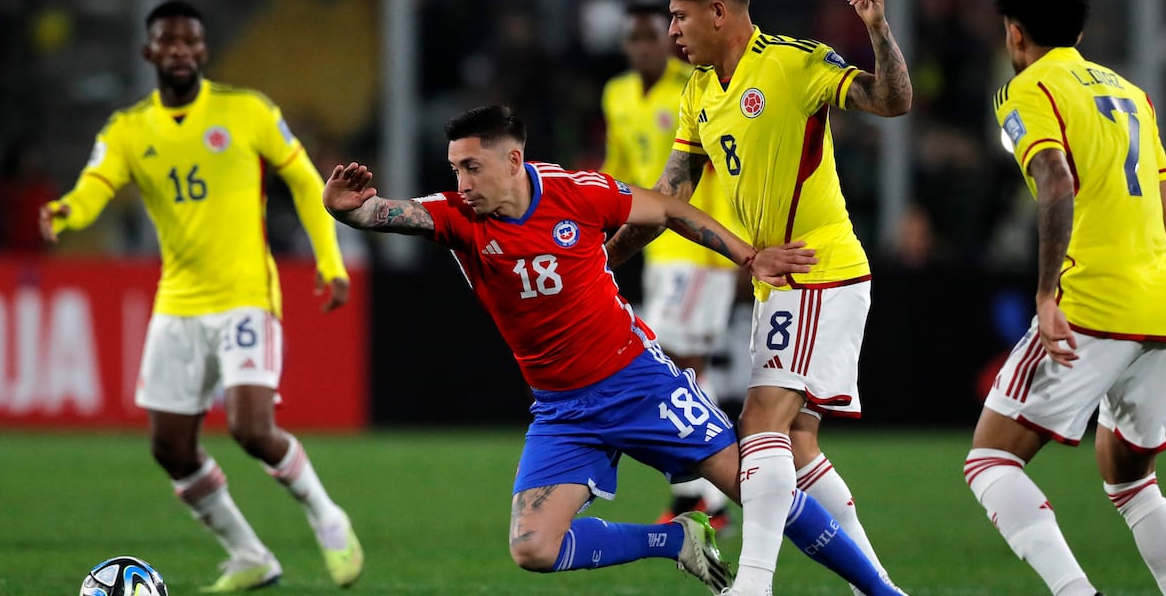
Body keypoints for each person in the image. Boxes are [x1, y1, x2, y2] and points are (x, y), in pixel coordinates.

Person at [323, 104, 906, 596]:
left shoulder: (579, 194)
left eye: (472, 168)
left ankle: (882, 591)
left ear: (513, 161)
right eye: (455, 169)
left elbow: (671, 208)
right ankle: (677, 538)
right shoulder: (456, 218)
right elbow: (383, 213)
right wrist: (344, 209)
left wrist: (748, 257)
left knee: (761, 489)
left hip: (638, 384)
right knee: (532, 548)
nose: (462, 184)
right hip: (561, 410)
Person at [604, 0, 913, 596]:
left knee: (760, 422)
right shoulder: (697, 92)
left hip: (816, 266)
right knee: (798, 447)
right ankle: (879, 588)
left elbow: (891, 100)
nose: (674, 31)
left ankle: (753, 583)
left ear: (719, 12)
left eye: (681, 16)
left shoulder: (794, 64)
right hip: (780, 279)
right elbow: (666, 198)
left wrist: (878, 31)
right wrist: (601, 266)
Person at [39, 0, 364, 593]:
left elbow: (302, 178)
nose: (180, 51)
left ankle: (327, 516)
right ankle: (249, 555)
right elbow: (94, 187)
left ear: (203, 50)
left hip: (246, 292)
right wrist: (66, 211)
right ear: (150, 52)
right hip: (179, 303)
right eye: (168, 42)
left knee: (251, 427)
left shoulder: (246, 111)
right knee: (170, 447)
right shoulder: (129, 129)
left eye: (190, 42)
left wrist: (330, 261)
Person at [964, 0, 1166, 596]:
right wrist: (1147, 291)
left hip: (1093, 301)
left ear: (1015, 33)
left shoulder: (1028, 89)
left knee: (990, 459)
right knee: (1130, 479)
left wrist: (1046, 295)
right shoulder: (1131, 93)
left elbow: (1053, 179)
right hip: (1160, 302)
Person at [600, 0, 741, 532]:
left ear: (668, 38)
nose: (641, 46)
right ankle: (710, 498)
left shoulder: (695, 87)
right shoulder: (616, 95)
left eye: (650, 36)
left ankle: (700, 495)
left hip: (696, 247)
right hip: (656, 248)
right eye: (632, 38)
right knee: (681, 366)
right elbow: (618, 167)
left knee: (675, 363)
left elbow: (721, 170)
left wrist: (735, 246)